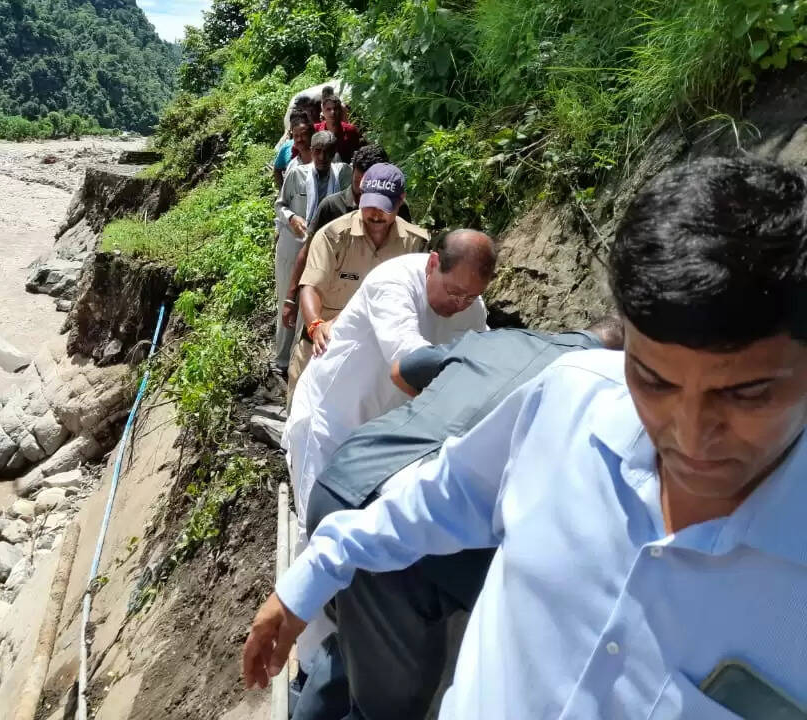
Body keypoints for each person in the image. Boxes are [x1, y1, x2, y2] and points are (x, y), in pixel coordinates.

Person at [245, 155, 807, 720]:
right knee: (343, 639)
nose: (688, 434)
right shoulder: (569, 398)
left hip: (380, 450)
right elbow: (446, 487)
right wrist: (314, 572)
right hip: (337, 436)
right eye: (654, 381)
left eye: (745, 395)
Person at [290, 319, 625, 720]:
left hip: (345, 480)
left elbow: (402, 371)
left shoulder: (498, 340)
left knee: (356, 643)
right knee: (394, 703)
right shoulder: (598, 396)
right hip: (412, 539)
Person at [284, 229, 498, 531]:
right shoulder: (393, 283)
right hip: (329, 423)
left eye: (471, 296)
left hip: (382, 436)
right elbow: (408, 359)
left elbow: (483, 356)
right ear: (433, 264)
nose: (459, 304)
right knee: (322, 531)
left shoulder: (471, 309)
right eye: (454, 292)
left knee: (367, 534)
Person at [287, 163, 428, 397]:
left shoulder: (415, 243)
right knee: (300, 418)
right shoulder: (333, 237)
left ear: (401, 200)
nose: (375, 214)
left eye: (384, 208)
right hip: (322, 346)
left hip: (375, 355)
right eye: (369, 205)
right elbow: (311, 286)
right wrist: (315, 325)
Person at [280, 146, 407, 334]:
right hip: (328, 305)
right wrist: (291, 298)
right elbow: (307, 252)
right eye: (359, 187)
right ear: (352, 171)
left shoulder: (399, 210)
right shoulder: (331, 206)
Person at [274, 130, 351, 372]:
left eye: (327, 152)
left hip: (327, 248)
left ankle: (304, 357)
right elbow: (280, 205)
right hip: (295, 243)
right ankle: (282, 360)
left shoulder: (344, 174)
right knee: (288, 298)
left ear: (333, 153)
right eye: (317, 150)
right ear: (311, 150)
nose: (322, 156)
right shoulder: (297, 174)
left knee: (315, 299)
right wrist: (293, 217)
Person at [314, 92, 362, 164]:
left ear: (340, 110)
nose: (332, 112)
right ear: (323, 112)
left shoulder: (351, 130)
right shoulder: (315, 130)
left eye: (335, 108)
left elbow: (357, 156)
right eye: (328, 109)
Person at [273, 110, 314, 191]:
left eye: (303, 134)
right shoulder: (287, 150)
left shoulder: (321, 153)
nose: (300, 139)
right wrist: (282, 191)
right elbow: (277, 169)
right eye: (296, 135)